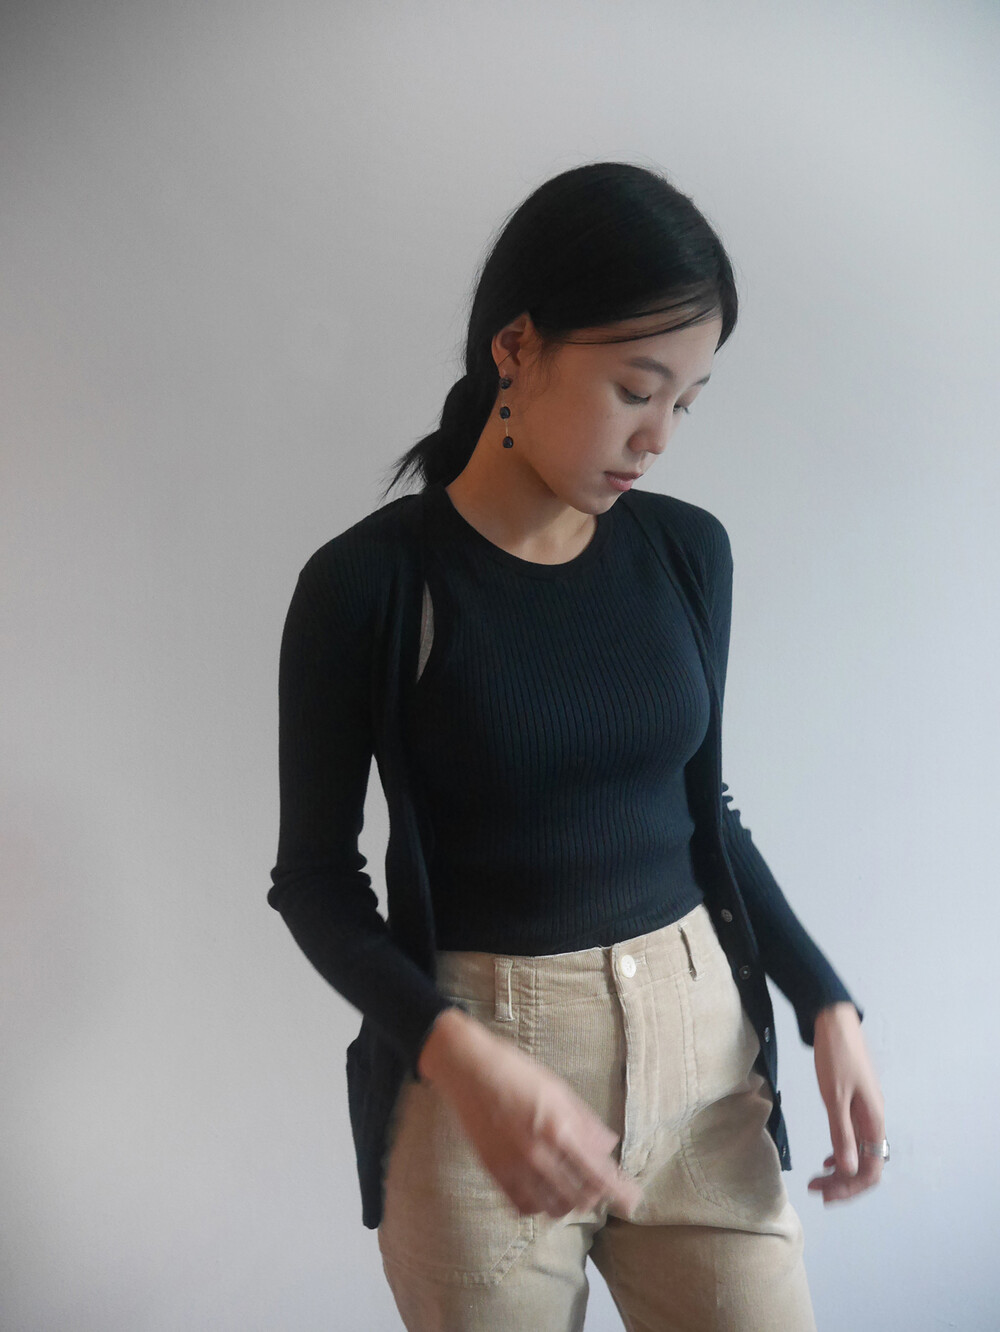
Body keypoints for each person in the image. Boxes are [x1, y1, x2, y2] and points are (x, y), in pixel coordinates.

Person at [268, 161, 888, 1331]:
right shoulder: (372, 587)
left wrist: (825, 1003)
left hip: (705, 1077)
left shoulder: (687, 556)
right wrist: (460, 1057)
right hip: (479, 1099)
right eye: (634, 388)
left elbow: (704, 813)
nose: (656, 438)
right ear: (515, 347)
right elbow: (314, 880)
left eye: (685, 403)